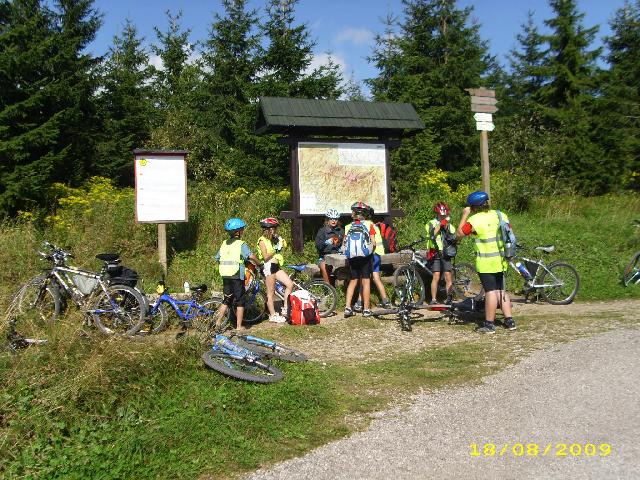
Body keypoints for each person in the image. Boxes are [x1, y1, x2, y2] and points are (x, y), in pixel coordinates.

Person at [456, 191, 516, 334]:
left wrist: (464, 215)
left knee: (490, 292)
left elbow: (459, 234)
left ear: (473, 207)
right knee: (501, 290)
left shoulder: (474, 220)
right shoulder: (500, 215)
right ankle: (510, 321)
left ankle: (489, 325)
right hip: (502, 259)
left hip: (486, 262)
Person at [214, 218, 260, 331]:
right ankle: (239, 326)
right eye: (242, 229)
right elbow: (250, 256)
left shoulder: (224, 243)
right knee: (240, 300)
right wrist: (259, 263)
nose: (243, 231)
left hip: (225, 275)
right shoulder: (241, 244)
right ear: (238, 231)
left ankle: (218, 322)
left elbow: (218, 257)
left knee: (227, 299)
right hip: (236, 275)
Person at [343, 201, 377, 318]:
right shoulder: (369, 225)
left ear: (355, 213)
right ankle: (366, 309)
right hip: (365, 257)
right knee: (366, 281)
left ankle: (347, 307)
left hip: (352, 257)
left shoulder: (348, 226)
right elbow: (373, 242)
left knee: (353, 281)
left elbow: (344, 243)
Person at [257, 217, 294, 323]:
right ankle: (272, 315)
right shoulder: (262, 241)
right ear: (268, 229)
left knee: (290, 284)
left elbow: (282, 246)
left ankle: (285, 309)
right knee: (271, 292)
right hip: (268, 266)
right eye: (274, 229)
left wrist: (281, 243)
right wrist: (276, 249)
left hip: (276, 267)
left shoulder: (272, 239)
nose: (275, 231)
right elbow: (265, 257)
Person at [353, 206, 391, 310]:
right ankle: (385, 301)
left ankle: (360, 302)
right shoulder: (374, 225)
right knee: (376, 278)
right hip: (378, 254)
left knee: (363, 279)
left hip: (370, 255)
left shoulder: (365, 225)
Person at [425, 202, 456, 304]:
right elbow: (432, 234)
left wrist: (446, 226)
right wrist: (440, 224)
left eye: (445, 215)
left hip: (446, 252)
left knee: (448, 276)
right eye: (441, 215)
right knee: (436, 276)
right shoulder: (431, 223)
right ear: (437, 214)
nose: (443, 216)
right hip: (435, 252)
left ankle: (449, 299)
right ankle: (433, 299)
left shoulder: (449, 224)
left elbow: (453, 236)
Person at [315, 208, 344, 285]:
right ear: (327, 220)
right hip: (323, 257)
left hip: (337, 256)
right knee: (324, 267)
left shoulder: (341, 231)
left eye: (335, 219)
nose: (333, 221)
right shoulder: (322, 231)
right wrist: (325, 242)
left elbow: (343, 244)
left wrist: (341, 248)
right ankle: (329, 289)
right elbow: (318, 246)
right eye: (331, 219)